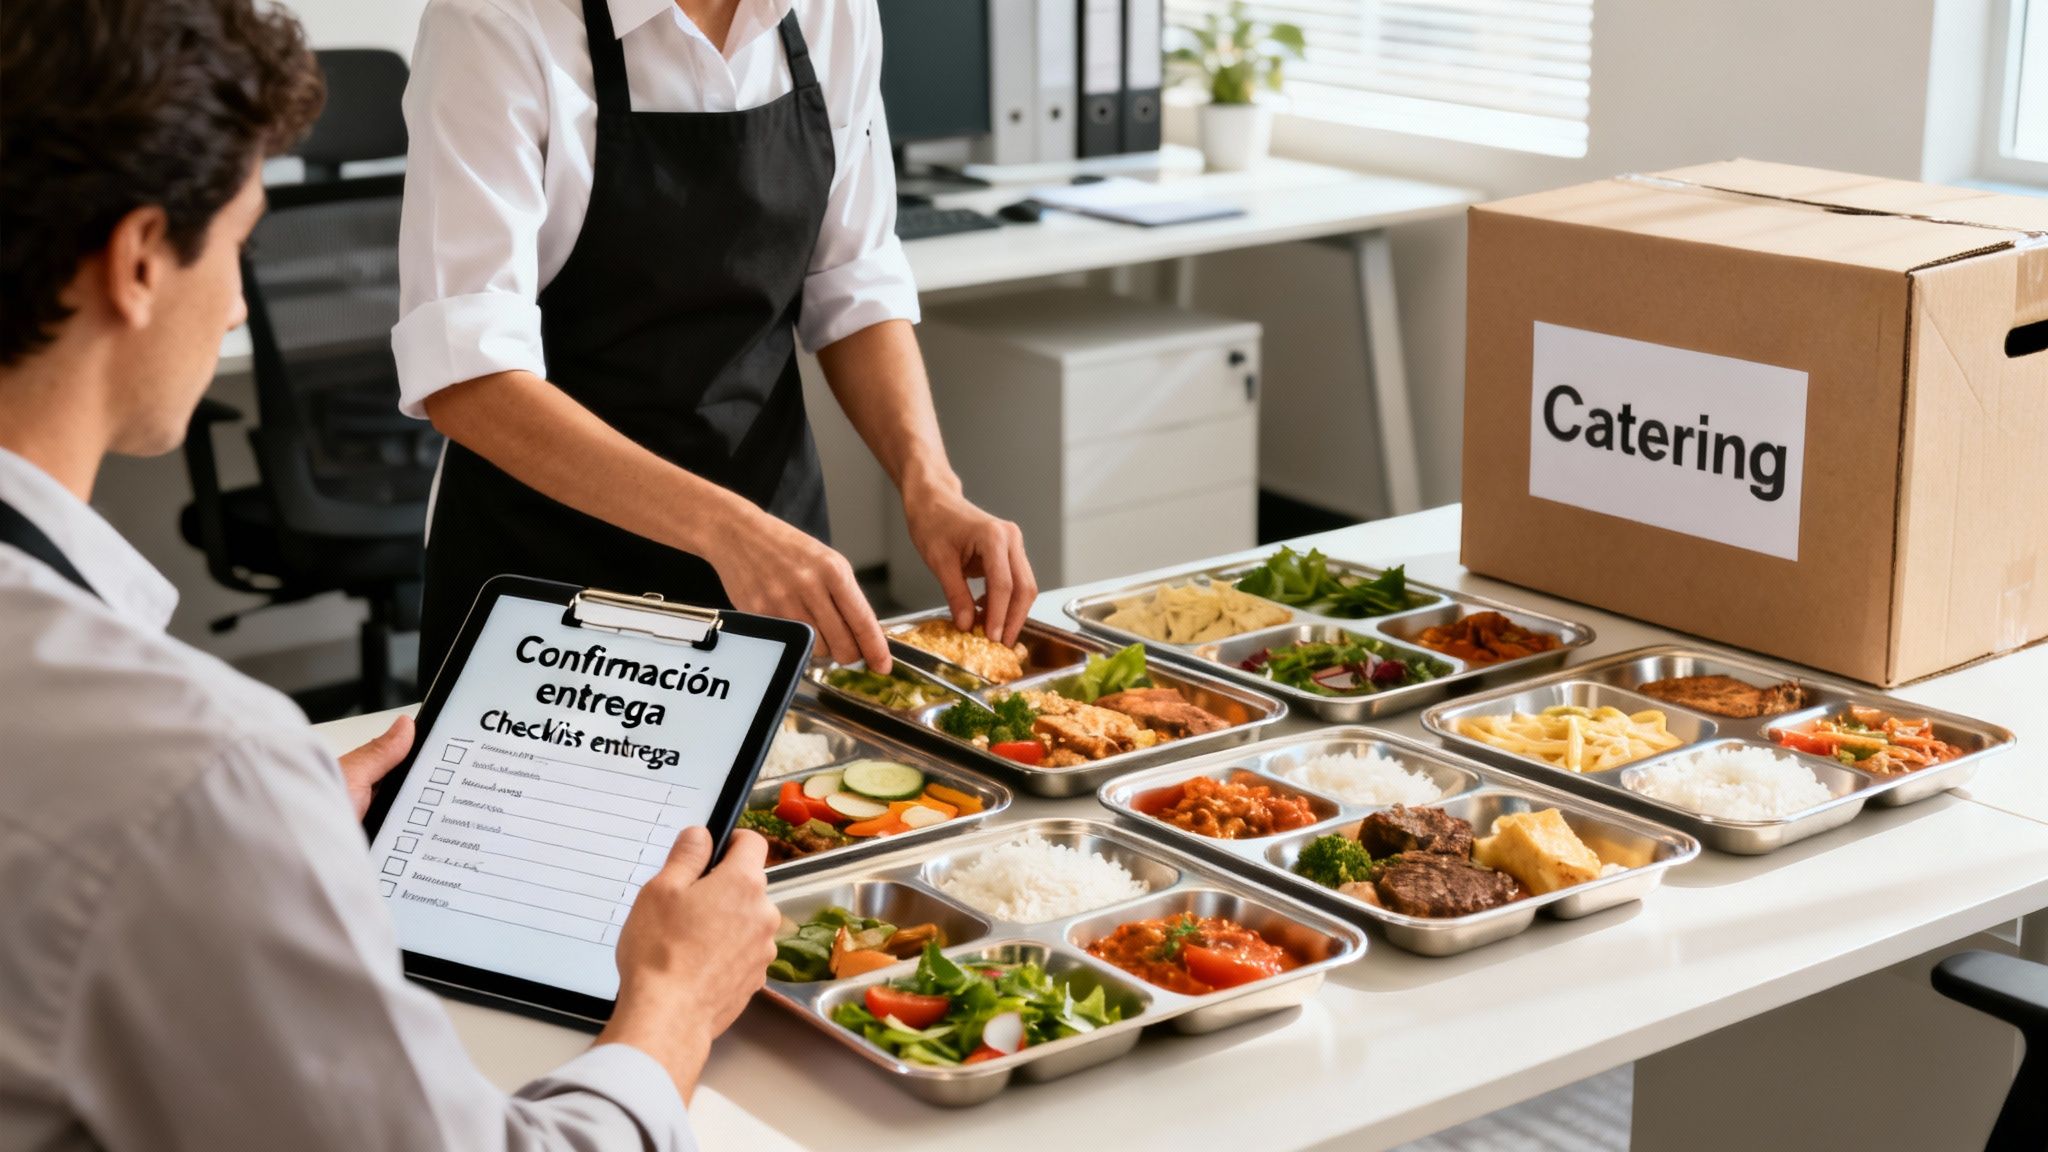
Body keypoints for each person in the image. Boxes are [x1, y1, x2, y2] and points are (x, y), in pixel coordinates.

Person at [0, 2, 780, 1148]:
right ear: (137, 260)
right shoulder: (190, 770)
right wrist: (671, 1005)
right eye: (241, 242)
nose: (232, 299)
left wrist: (257, 833)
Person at [398, 0, 1037, 684]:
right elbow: (469, 381)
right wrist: (728, 531)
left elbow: (852, 278)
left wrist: (930, 486)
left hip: (772, 557)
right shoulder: (494, 19)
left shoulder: (833, 11)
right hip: (550, 575)